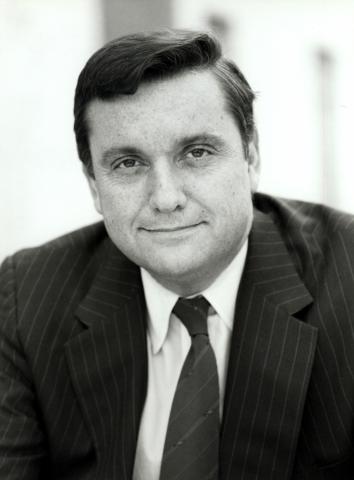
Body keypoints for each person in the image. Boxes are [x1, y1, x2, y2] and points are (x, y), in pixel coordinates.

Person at [1, 28, 354, 480]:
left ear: (251, 158)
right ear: (94, 185)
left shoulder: (346, 277)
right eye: (128, 164)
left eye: (197, 152)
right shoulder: (26, 297)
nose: (166, 198)